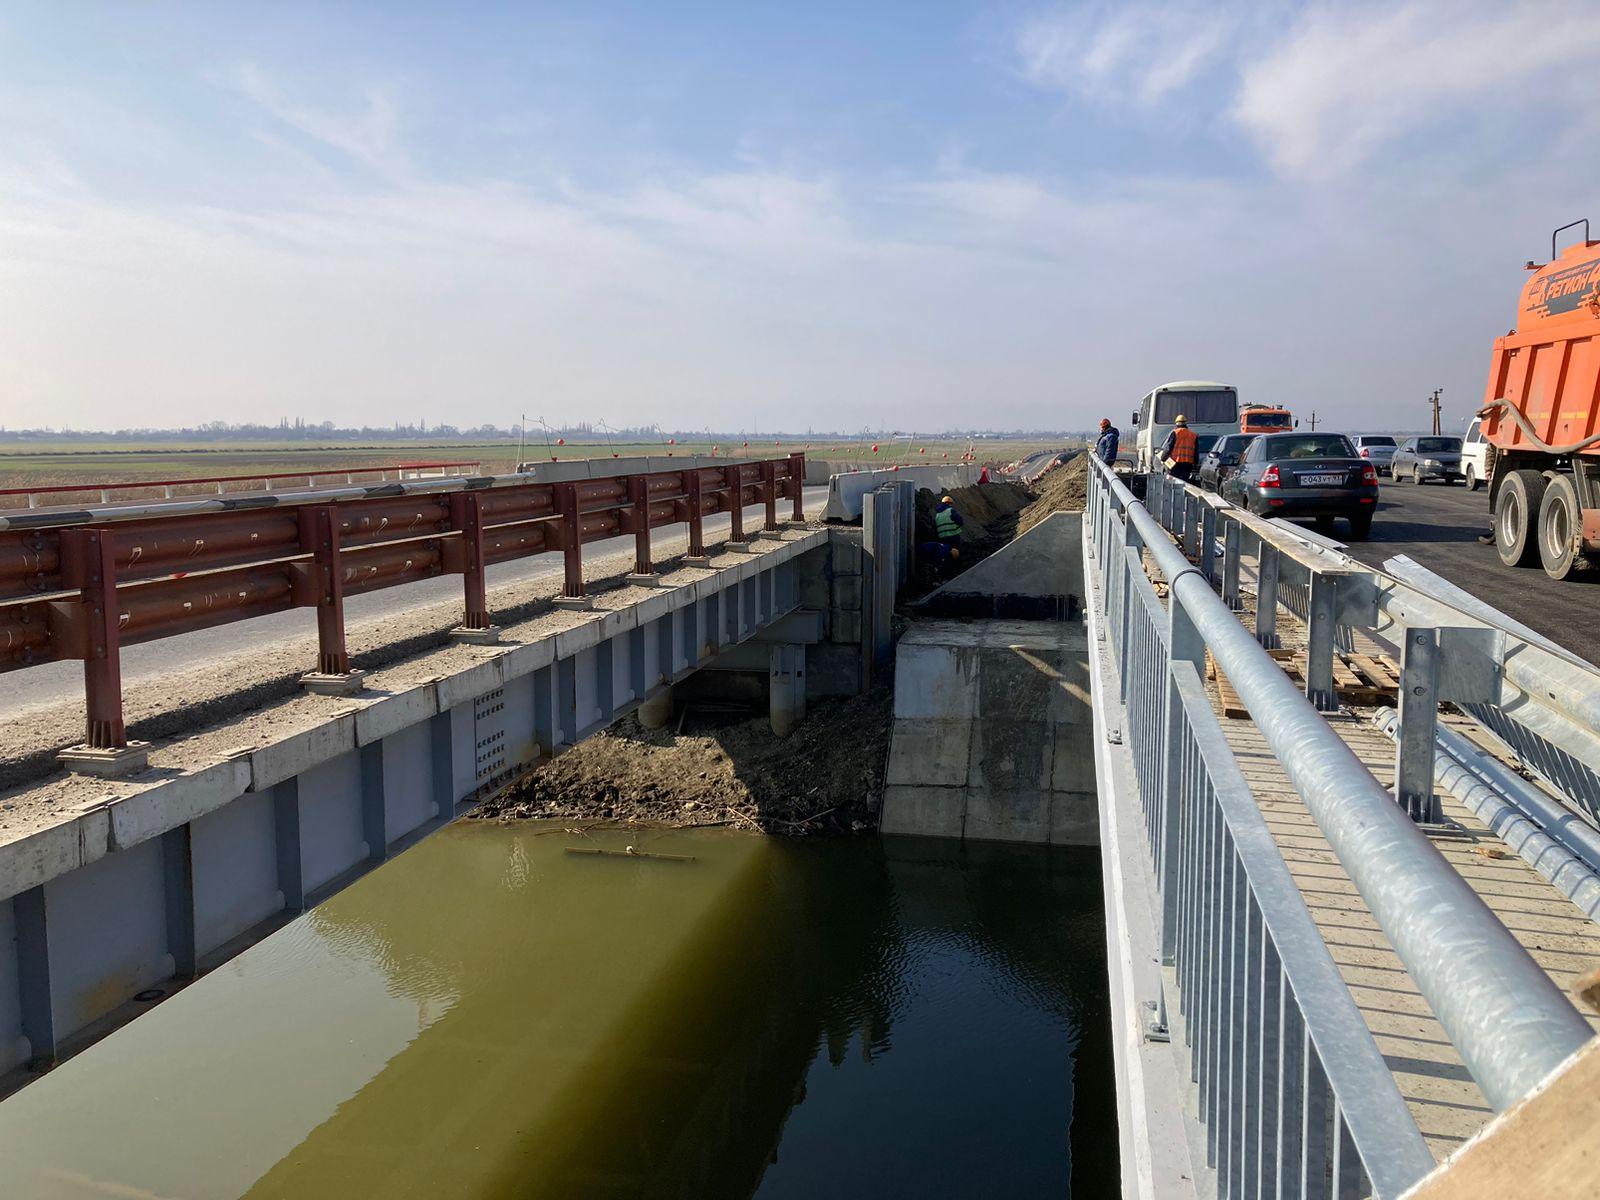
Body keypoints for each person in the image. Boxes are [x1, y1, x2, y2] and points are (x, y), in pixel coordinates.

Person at [1159, 414, 1199, 482]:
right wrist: (1195, 463)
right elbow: (1195, 451)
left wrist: (1163, 458)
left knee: (1174, 481)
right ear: (1185, 423)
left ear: (1176, 423)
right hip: (1188, 463)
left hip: (1175, 463)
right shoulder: (1193, 435)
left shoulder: (1175, 433)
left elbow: (1168, 448)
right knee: (1184, 481)